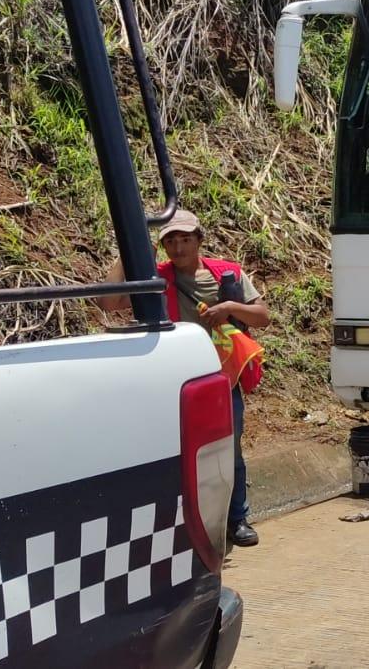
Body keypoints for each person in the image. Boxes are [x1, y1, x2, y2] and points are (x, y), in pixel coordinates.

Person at [98, 209, 270, 548]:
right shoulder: (156, 277)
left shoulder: (227, 274)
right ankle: (186, 523)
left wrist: (229, 309)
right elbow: (108, 301)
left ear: (199, 241)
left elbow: (262, 316)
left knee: (228, 450)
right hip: (177, 379)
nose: (178, 249)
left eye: (185, 240)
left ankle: (237, 519)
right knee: (178, 452)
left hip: (223, 376)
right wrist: (128, 249)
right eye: (170, 242)